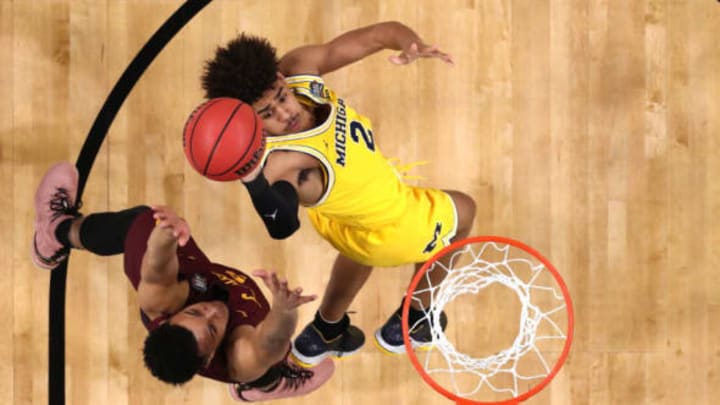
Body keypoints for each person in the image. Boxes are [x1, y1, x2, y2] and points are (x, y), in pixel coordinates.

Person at [201, 21, 477, 366]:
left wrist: (411, 44)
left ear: (280, 77)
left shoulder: (298, 67)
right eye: (267, 114)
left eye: (281, 97)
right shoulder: (281, 162)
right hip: (394, 225)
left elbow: (377, 35)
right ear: (246, 123)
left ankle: (325, 331)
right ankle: (417, 319)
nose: (285, 113)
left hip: (347, 223)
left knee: (359, 245)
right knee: (464, 210)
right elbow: (282, 224)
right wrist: (252, 179)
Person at [30, 162, 334, 402]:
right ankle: (266, 384)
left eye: (195, 312)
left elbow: (157, 261)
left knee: (142, 221)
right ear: (212, 354)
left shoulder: (160, 301)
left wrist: (169, 232)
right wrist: (284, 309)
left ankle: (55, 232)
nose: (212, 310)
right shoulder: (239, 353)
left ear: (169, 318)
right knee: (264, 361)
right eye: (213, 327)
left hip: (186, 284)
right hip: (255, 353)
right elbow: (272, 339)